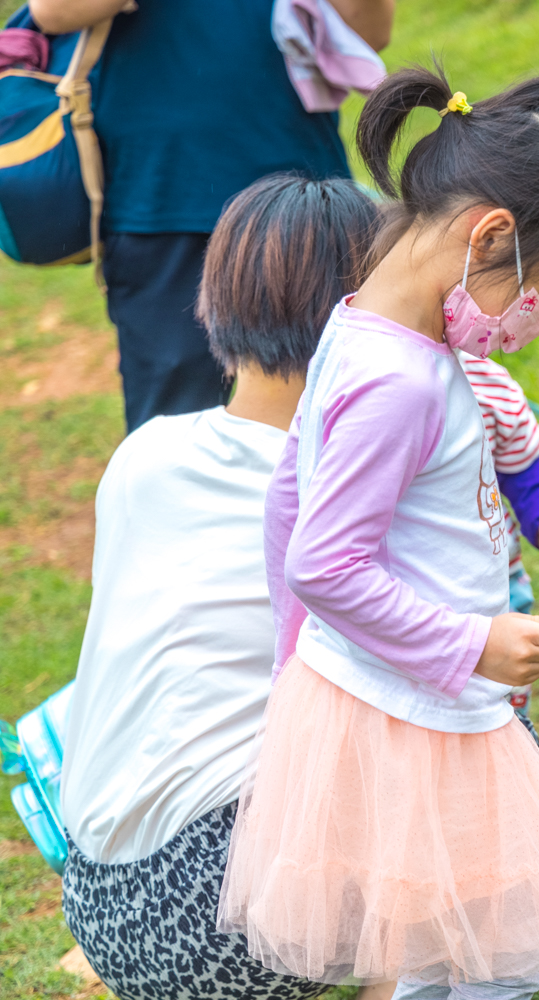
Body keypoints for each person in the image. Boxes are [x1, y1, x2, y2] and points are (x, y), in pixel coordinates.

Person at [216, 68, 539, 1000]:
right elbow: (324, 559)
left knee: (442, 944)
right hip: (424, 702)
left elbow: (291, 496)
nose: (536, 325)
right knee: (498, 959)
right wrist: (473, 640)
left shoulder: (360, 326)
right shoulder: (403, 381)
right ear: (489, 235)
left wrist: (301, 664)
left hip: (385, 687)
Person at [58, 173, 382, 1000]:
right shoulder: (336, 489)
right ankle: (413, 977)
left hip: (101, 904)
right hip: (225, 919)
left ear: (217, 300)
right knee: (474, 713)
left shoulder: (145, 455)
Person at [28, 0, 393, 432]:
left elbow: (372, 33)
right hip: (162, 194)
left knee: (339, 410)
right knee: (174, 422)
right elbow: (53, 11)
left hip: (303, 193)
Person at [463, 356, 539, 732]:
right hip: (419, 594)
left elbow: (522, 471)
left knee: (504, 697)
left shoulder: (487, 383)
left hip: (501, 583)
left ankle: (513, 742)